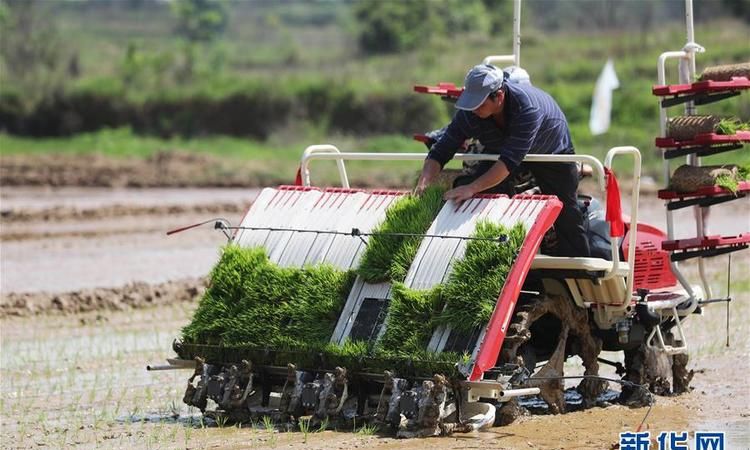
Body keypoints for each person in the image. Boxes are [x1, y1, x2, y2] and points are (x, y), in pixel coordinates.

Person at [414, 64, 590, 258]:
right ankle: (486, 254)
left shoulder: (527, 108)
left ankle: (579, 271)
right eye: (471, 103)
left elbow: (507, 163)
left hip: (550, 152)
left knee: (565, 212)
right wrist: (424, 183)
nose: (474, 109)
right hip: (502, 149)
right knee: (471, 189)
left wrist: (472, 187)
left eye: (480, 104)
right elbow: (441, 150)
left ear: (499, 96)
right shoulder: (470, 112)